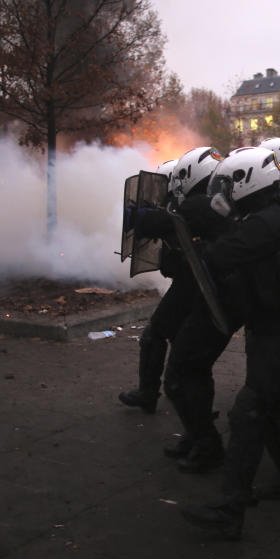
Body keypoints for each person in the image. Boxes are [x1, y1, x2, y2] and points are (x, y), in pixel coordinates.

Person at [180, 147, 280, 539]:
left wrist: (197, 231)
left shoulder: (267, 222)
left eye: (227, 184)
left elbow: (222, 256)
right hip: (273, 326)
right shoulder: (269, 215)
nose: (222, 191)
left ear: (247, 183)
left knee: (248, 413)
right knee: (271, 408)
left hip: (279, 330)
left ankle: (231, 508)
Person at [124, 148, 236, 473]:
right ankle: (195, 433)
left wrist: (140, 216)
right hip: (198, 289)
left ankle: (205, 443)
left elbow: (169, 221)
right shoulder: (212, 202)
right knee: (185, 363)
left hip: (204, 294)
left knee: (181, 373)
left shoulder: (201, 203)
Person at [118, 158, 184, 414]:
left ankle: (154, 392)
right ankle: (182, 391)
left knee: (155, 334)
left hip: (190, 288)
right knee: (177, 337)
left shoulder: (182, 211)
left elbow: (155, 221)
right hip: (190, 286)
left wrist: (138, 215)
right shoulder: (189, 207)